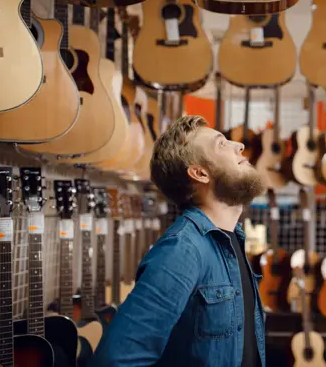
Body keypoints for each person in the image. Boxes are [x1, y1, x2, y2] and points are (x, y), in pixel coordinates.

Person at [91, 115, 267, 367]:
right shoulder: (183, 250)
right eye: (221, 144)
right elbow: (115, 360)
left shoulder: (231, 239)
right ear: (200, 173)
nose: (238, 146)